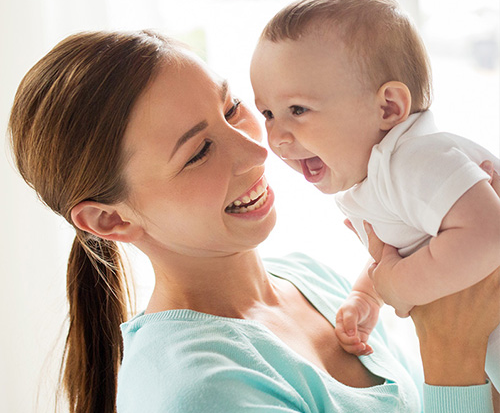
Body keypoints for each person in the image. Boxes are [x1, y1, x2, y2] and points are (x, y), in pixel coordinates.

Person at [8, 30, 500, 413]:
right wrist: (453, 355)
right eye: (199, 151)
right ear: (109, 220)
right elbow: (452, 379)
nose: (257, 149)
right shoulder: (198, 391)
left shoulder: (313, 281)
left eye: (233, 108)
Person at [249, 0, 500, 391]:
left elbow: (488, 233)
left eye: (298, 110)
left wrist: (396, 286)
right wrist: (369, 295)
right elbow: (407, 247)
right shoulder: (372, 179)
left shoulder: (415, 161)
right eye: (268, 113)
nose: (276, 137)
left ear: (388, 108)